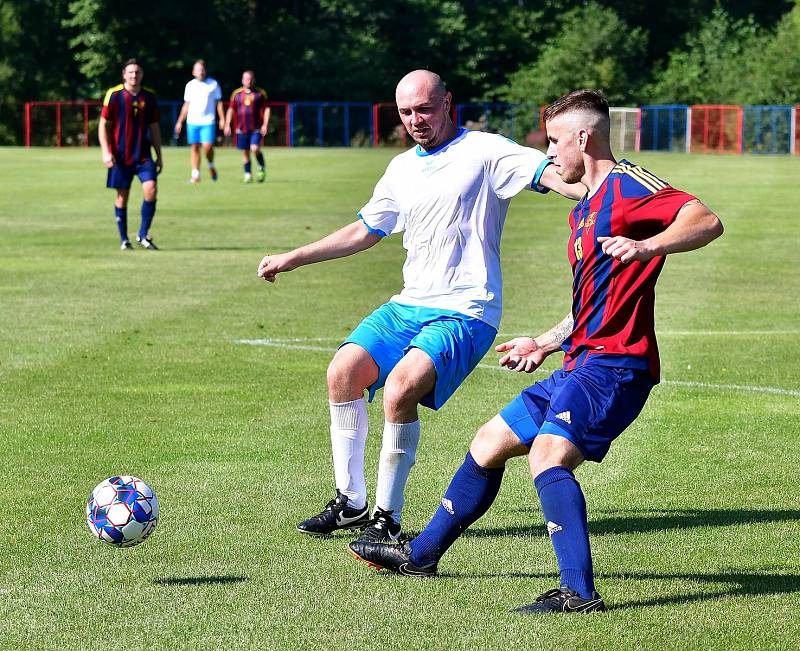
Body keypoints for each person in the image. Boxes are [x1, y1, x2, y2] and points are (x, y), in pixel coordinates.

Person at [348, 89, 724, 614]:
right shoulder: (584, 210)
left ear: (583, 138)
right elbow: (595, 299)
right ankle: (422, 554)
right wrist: (546, 341)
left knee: (548, 455)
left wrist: (648, 245)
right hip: (581, 360)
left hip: (617, 365)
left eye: (553, 142)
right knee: (490, 441)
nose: (548, 155)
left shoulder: (628, 184)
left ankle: (578, 593)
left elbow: (705, 219)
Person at [257, 70, 584, 545]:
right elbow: (365, 230)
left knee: (400, 388)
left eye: (425, 109)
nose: (416, 120)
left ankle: (386, 517)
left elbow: (556, 175)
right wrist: (294, 256)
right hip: (409, 302)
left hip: (466, 310)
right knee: (342, 371)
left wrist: (609, 196)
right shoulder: (401, 168)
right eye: (406, 112)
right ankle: (350, 502)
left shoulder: (487, 151)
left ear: (448, 102)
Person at [98, 58, 163, 251]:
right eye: (130, 72)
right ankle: (124, 239)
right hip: (120, 156)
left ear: (142, 75)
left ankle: (143, 234)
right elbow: (104, 125)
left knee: (151, 189)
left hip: (143, 155)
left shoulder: (149, 97)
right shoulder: (115, 95)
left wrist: (159, 154)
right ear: (124, 75)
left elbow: (155, 127)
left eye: (137, 72)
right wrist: (105, 152)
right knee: (122, 197)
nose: (134, 75)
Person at [174, 60, 224, 183]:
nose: (200, 72)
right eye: (198, 70)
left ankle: (211, 165)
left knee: (207, 147)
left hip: (208, 121)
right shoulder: (190, 85)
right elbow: (186, 105)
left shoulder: (213, 84)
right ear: (193, 72)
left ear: (205, 71)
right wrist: (180, 121)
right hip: (192, 121)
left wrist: (222, 119)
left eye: (202, 69)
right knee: (195, 147)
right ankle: (195, 174)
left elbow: (219, 103)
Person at [224, 70, 271, 183]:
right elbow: (231, 109)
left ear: (253, 80)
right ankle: (248, 174)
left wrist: (265, 124)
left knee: (254, 148)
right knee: (245, 152)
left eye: (250, 79)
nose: (248, 81)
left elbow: (267, 109)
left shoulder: (260, 93)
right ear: (242, 80)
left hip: (256, 128)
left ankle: (261, 167)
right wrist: (227, 124)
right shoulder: (237, 94)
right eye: (246, 79)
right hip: (241, 129)